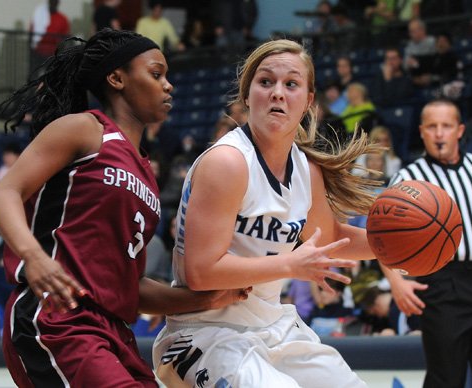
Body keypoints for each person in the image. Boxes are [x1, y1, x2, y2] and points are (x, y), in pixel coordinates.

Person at [0, 28, 247, 387]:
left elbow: (131, 284)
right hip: (59, 317)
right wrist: (34, 257)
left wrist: (204, 299)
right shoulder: (85, 129)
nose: (168, 85)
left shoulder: (147, 176)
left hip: (115, 331)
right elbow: (5, 193)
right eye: (156, 74)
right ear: (117, 78)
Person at [152, 38, 385, 388]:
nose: (277, 92)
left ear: (308, 101)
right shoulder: (227, 162)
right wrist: (288, 265)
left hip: (274, 329)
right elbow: (199, 272)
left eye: (290, 84)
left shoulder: (306, 170)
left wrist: (395, 248)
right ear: (247, 96)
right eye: (265, 82)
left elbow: (332, 239)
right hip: (204, 335)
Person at [385, 99, 472, 388]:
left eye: (446, 126)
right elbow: (383, 237)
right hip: (442, 284)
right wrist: (396, 281)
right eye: (432, 127)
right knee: (446, 378)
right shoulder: (407, 179)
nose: (439, 133)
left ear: (460, 130)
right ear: (422, 132)